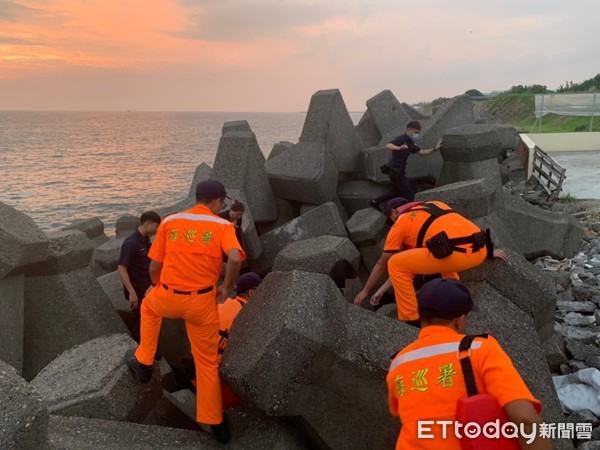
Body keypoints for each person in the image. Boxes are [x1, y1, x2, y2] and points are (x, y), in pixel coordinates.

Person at [124, 180, 244, 444]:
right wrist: (226, 287)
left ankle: (144, 362)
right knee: (207, 362)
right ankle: (216, 423)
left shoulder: (169, 221)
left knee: (148, 307)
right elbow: (235, 258)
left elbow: (154, 267)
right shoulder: (223, 226)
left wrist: (157, 287)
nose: (222, 205)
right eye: (222, 201)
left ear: (197, 198)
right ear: (215, 202)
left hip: (168, 296)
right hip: (202, 303)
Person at [386, 278, 550, 450]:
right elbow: (525, 418)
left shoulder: (398, 362)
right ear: (460, 320)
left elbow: (399, 411)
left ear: (421, 316)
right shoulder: (480, 348)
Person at [354, 197, 508, 325]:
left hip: (456, 256)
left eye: (390, 221)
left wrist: (366, 291)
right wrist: (489, 252)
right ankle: (455, 293)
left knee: (394, 262)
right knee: (438, 250)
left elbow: (383, 265)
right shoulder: (435, 204)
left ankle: (411, 319)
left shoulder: (401, 222)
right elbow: (459, 229)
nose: (391, 224)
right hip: (480, 251)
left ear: (394, 212)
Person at [370, 120, 443, 210]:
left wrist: (435, 148)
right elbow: (388, 145)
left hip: (400, 171)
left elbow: (421, 152)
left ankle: (375, 202)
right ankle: (412, 212)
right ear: (409, 129)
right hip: (395, 171)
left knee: (396, 192)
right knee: (409, 194)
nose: (417, 135)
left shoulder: (411, 143)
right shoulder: (401, 139)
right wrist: (399, 148)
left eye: (418, 133)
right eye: (415, 132)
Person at [117, 211, 161, 342]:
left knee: (149, 319)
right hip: (137, 288)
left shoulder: (145, 240)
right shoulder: (131, 243)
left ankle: (149, 348)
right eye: (156, 226)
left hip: (147, 286)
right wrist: (131, 292)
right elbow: (121, 268)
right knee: (142, 320)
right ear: (147, 224)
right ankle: (135, 347)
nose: (157, 230)